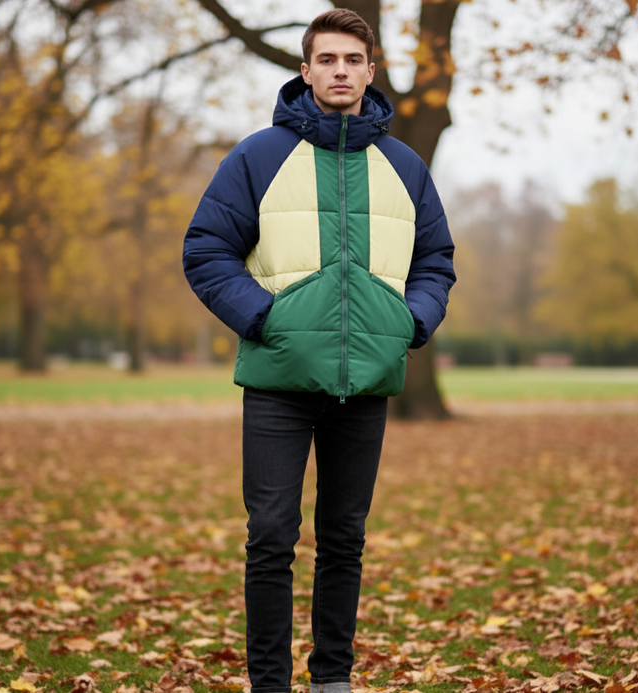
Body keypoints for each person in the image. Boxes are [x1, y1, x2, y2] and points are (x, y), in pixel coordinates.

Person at [183, 9, 455, 693]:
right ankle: (269, 684)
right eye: (327, 59)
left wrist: (408, 323)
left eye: (352, 60)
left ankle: (332, 678)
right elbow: (207, 250)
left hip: (366, 383)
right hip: (277, 380)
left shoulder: (404, 166)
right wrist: (267, 318)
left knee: (344, 538)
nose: (340, 70)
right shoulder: (258, 156)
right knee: (271, 536)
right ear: (305, 71)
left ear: (370, 70)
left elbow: (435, 260)